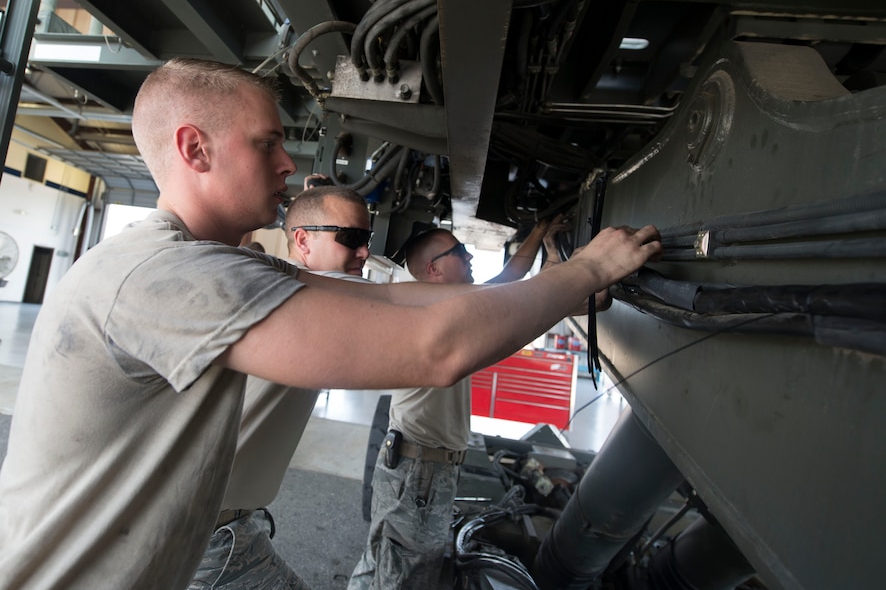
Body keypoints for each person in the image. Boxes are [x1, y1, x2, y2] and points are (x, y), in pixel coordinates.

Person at [0, 57, 661, 590]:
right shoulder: (169, 277)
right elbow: (436, 347)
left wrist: (563, 292)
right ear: (194, 149)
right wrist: (583, 271)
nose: (288, 163)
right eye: (268, 143)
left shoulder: (224, 266)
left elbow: (401, 303)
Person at [348, 226, 609, 590]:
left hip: (422, 466)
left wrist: (538, 236)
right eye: (458, 251)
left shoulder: (442, 304)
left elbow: (507, 284)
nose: (469, 256)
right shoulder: (432, 307)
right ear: (434, 271)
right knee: (400, 577)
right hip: (419, 471)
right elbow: (511, 290)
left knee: (393, 567)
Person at [190, 184, 374, 589]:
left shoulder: (317, 292)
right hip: (206, 536)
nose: (364, 252)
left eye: (367, 239)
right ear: (302, 240)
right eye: (352, 239)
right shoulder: (270, 290)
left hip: (227, 524)